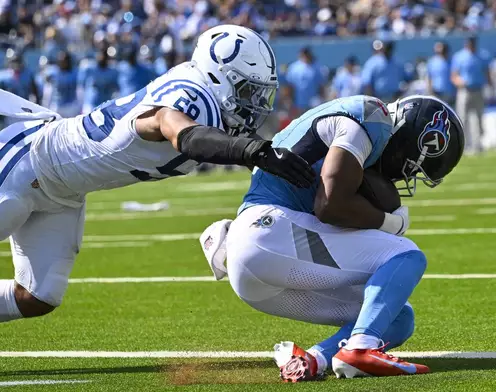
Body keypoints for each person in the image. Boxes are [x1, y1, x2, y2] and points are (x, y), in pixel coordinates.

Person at [0, 25, 314, 324]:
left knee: (37, 296)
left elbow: (239, 152)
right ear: (219, 77)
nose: (255, 104)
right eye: (247, 91)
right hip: (29, 159)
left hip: (63, 195)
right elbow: (184, 135)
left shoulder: (211, 104)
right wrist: (255, 151)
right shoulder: (192, 95)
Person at [201, 95, 464, 381]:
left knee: (398, 318)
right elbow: (330, 204)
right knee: (406, 255)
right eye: (411, 166)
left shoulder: (346, 120)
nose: (405, 176)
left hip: (254, 270)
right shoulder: (371, 119)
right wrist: (390, 223)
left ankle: (312, 359)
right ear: (408, 142)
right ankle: (361, 349)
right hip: (269, 234)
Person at [451, 36, 491, 154]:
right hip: (464, 90)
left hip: (478, 89)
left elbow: (487, 72)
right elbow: (454, 75)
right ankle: (464, 145)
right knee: (463, 118)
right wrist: (459, 82)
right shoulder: (459, 57)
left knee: (479, 118)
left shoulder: (482, 55)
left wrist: (490, 88)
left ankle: (478, 144)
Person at [285, 47, 326, 115]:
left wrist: (321, 100)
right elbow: (290, 86)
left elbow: (321, 85)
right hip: (298, 103)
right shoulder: (294, 67)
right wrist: (289, 101)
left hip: (313, 104)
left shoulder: (317, 67)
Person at [78, 49, 120, 114]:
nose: (101, 59)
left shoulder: (112, 71)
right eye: (99, 56)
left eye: (104, 57)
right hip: (91, 103)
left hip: (105, 104)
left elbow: (116, 87)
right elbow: (81, 84)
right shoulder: (90, 69)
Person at [42, 51, 80, 118]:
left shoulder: (75, 72)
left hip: (71, 105)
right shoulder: (53, 71)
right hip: (57, 105)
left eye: (65, 61)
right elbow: (47, 84)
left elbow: (80, 89)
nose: (63, 63)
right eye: (61, 61)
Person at [426, 41, 456, 107]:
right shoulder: (432, 62)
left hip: (450, 93)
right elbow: (429, 77)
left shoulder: (452, 61)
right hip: (436, 93)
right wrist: (430, 91)